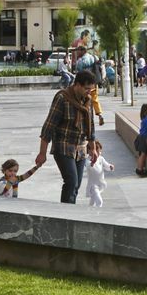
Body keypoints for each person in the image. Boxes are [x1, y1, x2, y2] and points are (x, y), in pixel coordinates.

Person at [34, 68, 97, 202]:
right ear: (77, 85)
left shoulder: (88, 100)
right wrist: (42, 153)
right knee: (71, 181)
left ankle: (68, 211)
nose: (89, 92)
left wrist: (93, 148)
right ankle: (66, 216)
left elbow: (90, 126)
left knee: (77, 184)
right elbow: (48, 127)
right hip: (63, 147)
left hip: (80, 149)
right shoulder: (62, 98)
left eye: (91, 89)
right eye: (86, 88)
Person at [85, 139, 113, 206]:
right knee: (99, 201)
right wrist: (92, 163)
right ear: (89, 151)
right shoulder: (88, 160)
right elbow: (88, 165)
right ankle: (98, 215)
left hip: (100, 183)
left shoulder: (101, 158)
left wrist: (110, 167)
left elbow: (106, 165)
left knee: (93, 201)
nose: (98, 153)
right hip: (93, 185)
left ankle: (89, 211)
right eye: (96, 151)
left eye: (99, 151)